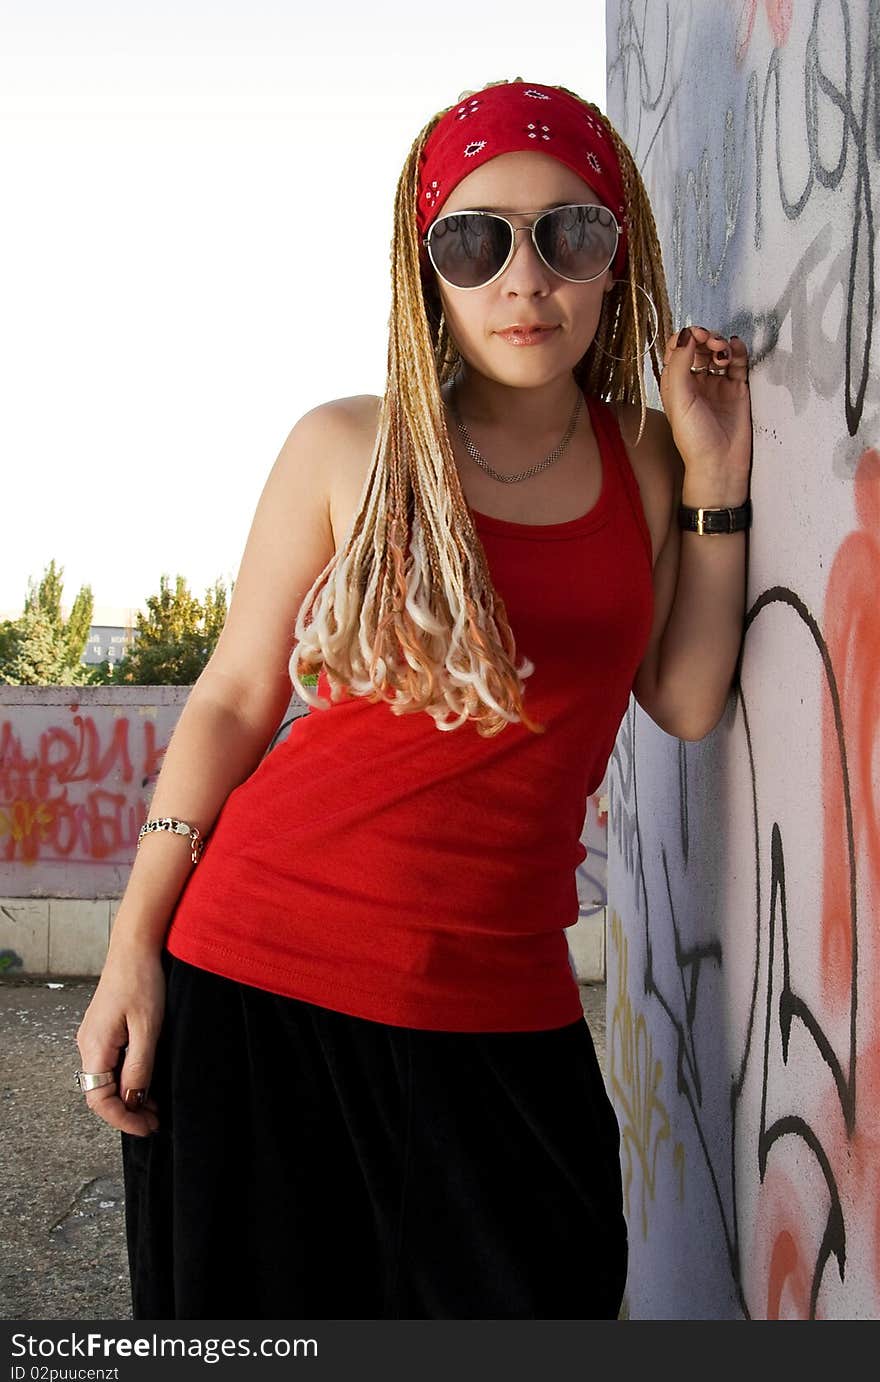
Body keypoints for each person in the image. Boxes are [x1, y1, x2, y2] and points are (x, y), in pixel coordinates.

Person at [74, 77, 752, 1319]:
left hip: (501, 999)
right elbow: (233, 696)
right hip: (256, 980)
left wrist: (717, 477)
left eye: (570, 234)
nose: (525, 277)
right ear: (424, 265)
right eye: (476, 239)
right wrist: (131, 948)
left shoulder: (645, 453)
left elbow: (688, 696)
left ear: (619, 252)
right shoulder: (349, 447)